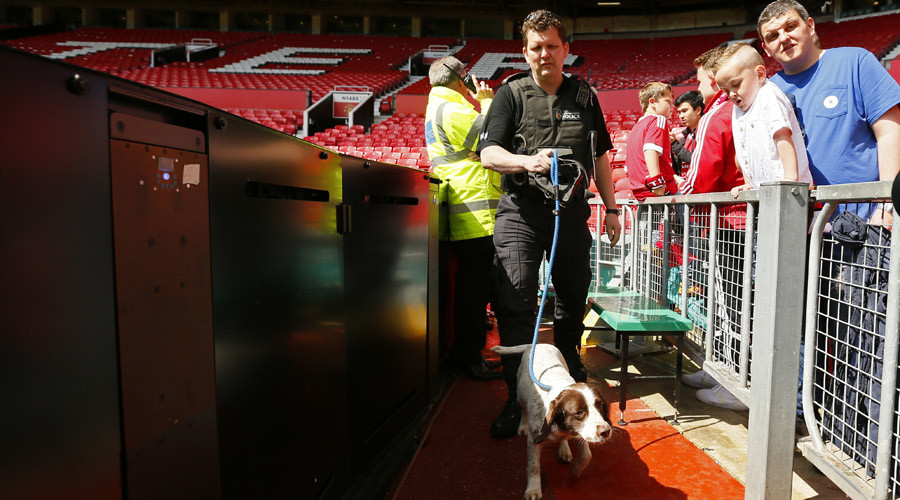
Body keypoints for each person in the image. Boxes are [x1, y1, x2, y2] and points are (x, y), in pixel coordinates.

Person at [758, 0, 900, 471]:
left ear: (811, 25)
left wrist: (886, 201)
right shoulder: (771, 90)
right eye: (773, 35)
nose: (784, 38)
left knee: (869, 338)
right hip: (805, 236)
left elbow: (889, 130)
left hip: (864, 228)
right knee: (820, 339)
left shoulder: (853, 61)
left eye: (790, 26)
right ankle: (836, 438)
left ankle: (875, 452)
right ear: (766, 47)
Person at [476, 9, 621, 438]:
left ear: (566, 50)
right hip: (521, 213)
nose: (544, 54)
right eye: (535, 47)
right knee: (516, 301)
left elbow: (601, 158)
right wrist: (528, 161)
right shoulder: (510, 93)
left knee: (573, 297)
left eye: (551, 46)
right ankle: (517, 400)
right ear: (525, 52)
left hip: (572, 217)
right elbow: (489, 154)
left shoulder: (585, 96)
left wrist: (612, 209)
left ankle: (570, 373)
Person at [677, 46, 749, 411]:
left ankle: (733, 381)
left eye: (702, 79)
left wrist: (678, 196)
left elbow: (702, 175)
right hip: (735, 218)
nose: (701, 86)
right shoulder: (735, 107)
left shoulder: (718, 113)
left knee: (730, 303)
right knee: (726, 301)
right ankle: (721, 370)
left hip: (729, 221)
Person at [425, 56, 503, 381]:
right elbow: (491, 141)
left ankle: (467, 353)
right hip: (476, 212)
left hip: (469, 209)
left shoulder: (439, 105)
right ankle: (469, 357)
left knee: (473, 290)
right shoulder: (452, 108)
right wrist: (486, 102)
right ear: (461, 79)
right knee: (474, 293)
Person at [713, 42, 813, 196]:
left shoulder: (768, 95)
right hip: (765, 192)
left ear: (759, 74)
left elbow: (782, 137)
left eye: (736, 84)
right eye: (726, 90)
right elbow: (742, 149)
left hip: (790, 193)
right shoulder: (738, 107)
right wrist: (748, 183)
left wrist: (790, 181)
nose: (732, 94)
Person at [625, 82, 678, 200]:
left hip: (641, 191)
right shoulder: (658, 120)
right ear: (652, 102)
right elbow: (650, 150)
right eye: (668, 101)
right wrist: (657, 182)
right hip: (659, 190)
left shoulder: (637, 126)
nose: (673, 106)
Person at [671, 90, 704, 176]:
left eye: (684, 111)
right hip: (685, 185)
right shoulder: (684, 138)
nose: (681, 116)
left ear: (698, 110)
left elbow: (698, 160)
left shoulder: (707, 132)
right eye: (679, 112)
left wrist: (674, 144)